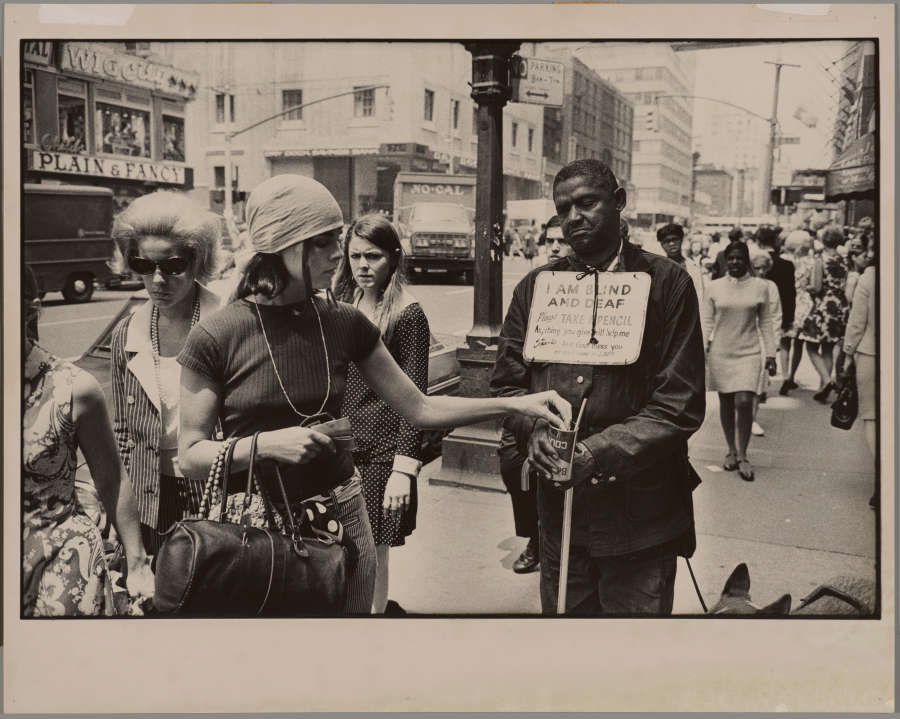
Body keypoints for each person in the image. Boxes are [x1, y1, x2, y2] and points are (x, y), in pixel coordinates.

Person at [177, 175, 571, 615]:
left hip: (344, 514)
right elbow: (190, 455)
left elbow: (419, 407)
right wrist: (265, 445)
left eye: (336, 240)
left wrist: (514, 403)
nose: (337, 256)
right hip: (255, 525)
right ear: (286, 246)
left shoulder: (344, 321)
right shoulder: (217, 334)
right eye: (324, 242)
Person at [491, 159, 706, 615]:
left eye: (587, 203)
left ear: (619, 202)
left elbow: (679, 404)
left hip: (641, 522)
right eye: (563, 208)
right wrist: (535, 433)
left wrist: (596, 454)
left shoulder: (668, 284)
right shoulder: (536, 287)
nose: (574, 217)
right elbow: (509, 386)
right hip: (561, 522)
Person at [23, 267, 153, 616]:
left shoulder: (72, 388)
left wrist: (137, 562)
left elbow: (111, 477)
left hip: (60, 564)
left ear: (28, 309)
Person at [109, 191, 223, 555]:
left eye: (173, 266)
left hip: (216, 490)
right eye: (144, 265)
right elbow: (123, 434)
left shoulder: (228, 323)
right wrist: (119, 515)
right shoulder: (126, 333)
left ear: (197, 261)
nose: (158, 279)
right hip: (149, 494)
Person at [333, 214, 430, 615]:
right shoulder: (342, 304)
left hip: (382, 455)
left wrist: (403, 470)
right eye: (354, 256)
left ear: (393, 258)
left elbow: (415, 397)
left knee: (374, 549)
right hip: (339, 445)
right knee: (337, 544)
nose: (362, 266)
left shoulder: (408, 314)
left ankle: (374, 620)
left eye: (372, 256)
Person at [497, 216, 574, 576]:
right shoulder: (532, 287)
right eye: (550, 241)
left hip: (570, 409)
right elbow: (509, 364)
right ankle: (533, 537)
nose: (556, 247)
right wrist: (529, 420)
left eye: (563, 240)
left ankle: (556, 541)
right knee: (513, 465)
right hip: (530, 405)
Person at [701, 241, 777, 481]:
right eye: (730, 258)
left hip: (750, 352)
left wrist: (772, 354)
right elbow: (706, 321)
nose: (735, 262)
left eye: (739, 258)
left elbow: (766, 322)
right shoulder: (714, 287)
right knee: (725, 401)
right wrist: (700, 349)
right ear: (725, 260)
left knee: (744, 401)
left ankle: (744, 454)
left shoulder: (760, 287)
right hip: (721, 352)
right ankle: (731, 451)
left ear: (747, 261)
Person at [841, 241, 877, 508]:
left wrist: (847, 355)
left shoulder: (870, 277)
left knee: (873, 418)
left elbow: (857, 321)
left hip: (871, 354)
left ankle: (882, 481)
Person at [799, 227, 849, 403]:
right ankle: (823, 388)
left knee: (810, 345)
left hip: (824, 306)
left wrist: (806, 286)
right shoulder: (844, 261)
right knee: (828, 348)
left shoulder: (820, 260)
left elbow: (817, 287)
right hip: (840, 305)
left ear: (823, 240)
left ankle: (827, 381)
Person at [748, 249, 782, 438]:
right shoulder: (745, 285)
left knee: (758, 382)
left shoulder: (772, 287)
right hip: (742, 337)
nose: (760, 272)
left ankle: (752, 419)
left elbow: (776, 316)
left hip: (763, 339)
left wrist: (773, 345)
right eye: (756, 268)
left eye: (763, 268)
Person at [755, 227, 795, 381]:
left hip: (760, 310)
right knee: (784, 343)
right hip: (782, 309)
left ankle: (764, 378)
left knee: (762, 344)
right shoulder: (787, 265)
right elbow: (791, 293)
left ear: (759, 242)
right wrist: (790, 316)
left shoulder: (755, 262)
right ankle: (785, 375)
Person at [779, 229, 815, 395]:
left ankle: (785, 376)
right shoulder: (811, 262)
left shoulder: (785, 260)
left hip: (787, 301)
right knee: (799, 343)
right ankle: (792, 375)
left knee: (784, 341)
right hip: (805, 303)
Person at [657, 223, 704, 302]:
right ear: (662, 245)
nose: (672, 244)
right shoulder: (657, 269)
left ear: (681, 240)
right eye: (667, 241)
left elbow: (700, 294)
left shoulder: (693, 267)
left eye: (674, 239)